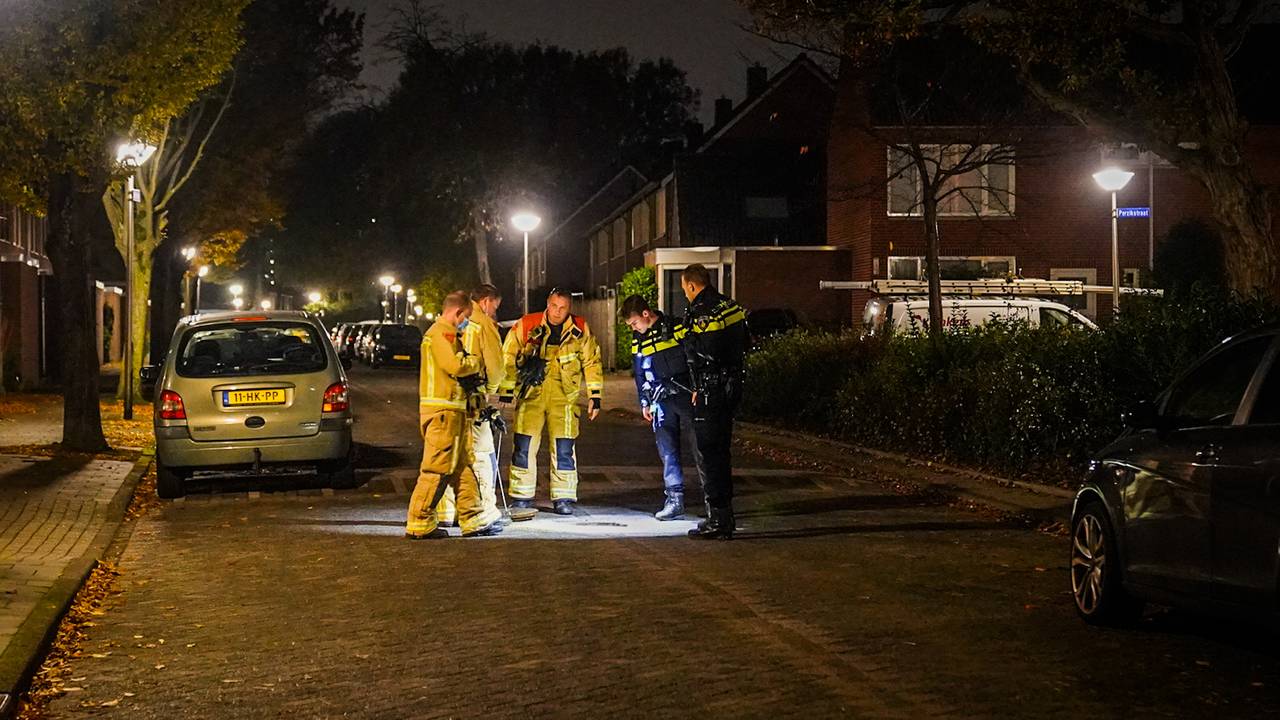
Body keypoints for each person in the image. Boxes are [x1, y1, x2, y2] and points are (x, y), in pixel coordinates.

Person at [405, 291, 503, 539]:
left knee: (463, 467)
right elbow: (456, 365)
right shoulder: (440, 334)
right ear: (457, 312)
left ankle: (473, 518)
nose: (466, 323)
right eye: (466, 317)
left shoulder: (448, 334)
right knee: (437, 468)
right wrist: (475, 364)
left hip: (454, 412)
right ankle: (419, 521)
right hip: (443, 413)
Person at [498, 288, 603, 515]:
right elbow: (508, 356)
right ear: (548, 303)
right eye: (554, 306)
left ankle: (563, 497)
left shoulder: (580, 328)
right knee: (524, 445)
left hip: (564, 397)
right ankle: (521, 496)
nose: (557, 312)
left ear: (569, 308)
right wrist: (506, 390)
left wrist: (595, 396)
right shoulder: (527, 324)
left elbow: (592, 361)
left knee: (564, 448)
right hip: (531, 394)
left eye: (563, 308)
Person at [680, 264, 748, 540]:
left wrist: (698, 383)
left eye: (685, 289)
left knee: (710, 452)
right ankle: (724, 516)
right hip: (732, 385)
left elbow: (705, 352)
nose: (685, 294)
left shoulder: (702, 312)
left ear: (692, 285)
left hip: (712, 389)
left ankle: (718, 519)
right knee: (722, 450)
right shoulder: (730, 306)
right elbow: (745, 342)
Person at [437, 284, 507, 529]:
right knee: (481, 454)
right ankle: (483, 509)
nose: (493, 312)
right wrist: (491, 389)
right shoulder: (484, 324)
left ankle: (447, 511)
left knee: (452, 454)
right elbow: (496, 367)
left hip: (448, 399)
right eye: (494, 307)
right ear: (486, 301)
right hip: (474, 398)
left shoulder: (446, 324)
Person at [622, 294, 692, 521]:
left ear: (646, 314)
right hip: (660, 400)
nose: (634, 328)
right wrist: (644, 400)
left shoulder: (676, 327)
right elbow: (639, 371)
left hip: (685, 396)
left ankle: (713, 500)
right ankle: (674, 500)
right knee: (667, 451)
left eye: (634, 323)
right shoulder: (639, 339)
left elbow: (693, 358)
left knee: (701, 448)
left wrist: (696, 390)